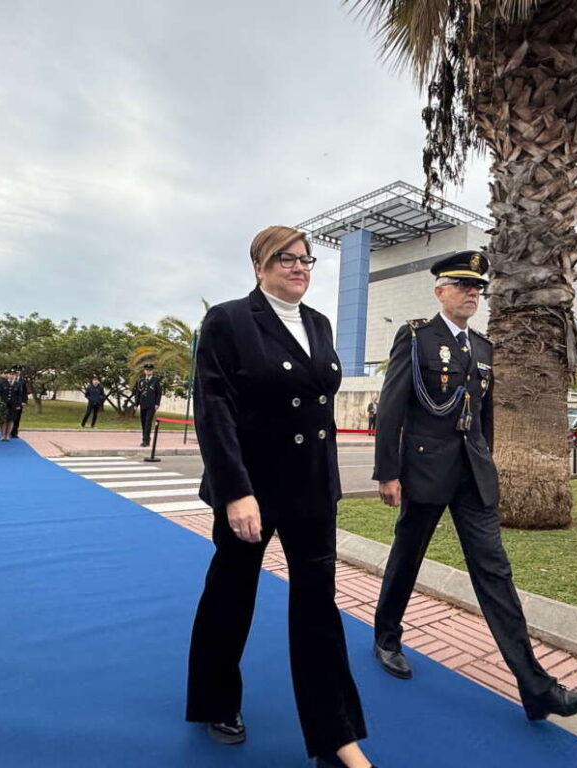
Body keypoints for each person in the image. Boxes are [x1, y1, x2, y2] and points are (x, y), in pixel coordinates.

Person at [371, 250, 577, 722]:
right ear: (440, 291)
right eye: (462, 285)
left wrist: (487, 463)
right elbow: (392, 407)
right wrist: (387, 473)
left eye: (477, 287)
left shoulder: (484, 347)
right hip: (425, 472)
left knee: (495, 573)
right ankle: (386, 637)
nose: (472, 293)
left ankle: (537, 690)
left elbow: (484, 418)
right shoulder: (415, 337)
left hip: (472, 477)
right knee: (406, 557)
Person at [186, 226, 375, 768]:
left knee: (318, 605)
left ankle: (336, 738)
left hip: (312, 488)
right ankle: (215, 699)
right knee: (232, 592)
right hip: (251, 488)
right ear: (260, 265)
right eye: (286, 259)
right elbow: (214, 408)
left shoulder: (318, 322)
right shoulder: (228, 319)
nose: (299, 267)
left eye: (307, 259)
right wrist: (235, 491)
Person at [133, 364, 162, 447]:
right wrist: (136, 404)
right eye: (147, 370)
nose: (148, 371)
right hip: (143, 404)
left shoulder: (155, 381)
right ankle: (146, 437)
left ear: (152, 371)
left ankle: (145, 440)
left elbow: (159, 393)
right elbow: (138, 393)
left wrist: (157, 403)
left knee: (148, 422)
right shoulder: (141, 381)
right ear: (144, 371)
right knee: (143, 421)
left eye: (150, 370)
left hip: (151, 404)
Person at [9, 367, 29, 437]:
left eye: (18, 372)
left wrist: (24, 401)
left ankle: (15, 432)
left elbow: (24, 392)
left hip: (19, 401)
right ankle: (9, 431)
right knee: (11, 417)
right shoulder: (10, 380)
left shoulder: (23, 381)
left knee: (17, 417)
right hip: (11, 402)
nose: (17, 373)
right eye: (16, 372)